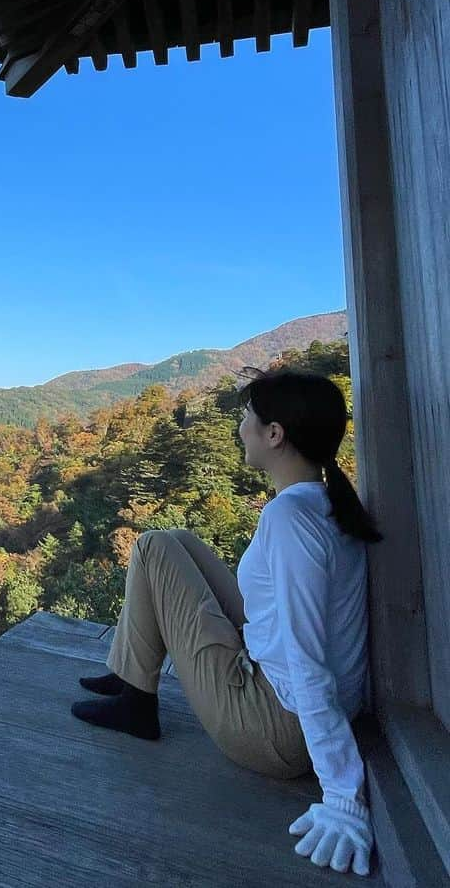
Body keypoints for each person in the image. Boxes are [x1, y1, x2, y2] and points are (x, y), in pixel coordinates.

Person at [70, 368, 379, 876]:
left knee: (150, 546)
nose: (240, 427)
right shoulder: (325, 504)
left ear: (274, 434)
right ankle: (130, 673)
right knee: (173, 540)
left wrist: (343, 794)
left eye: (247, 417)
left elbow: (307, 659)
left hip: (271, 728)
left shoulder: (289, 521)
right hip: (285, 695)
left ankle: (136, 701)